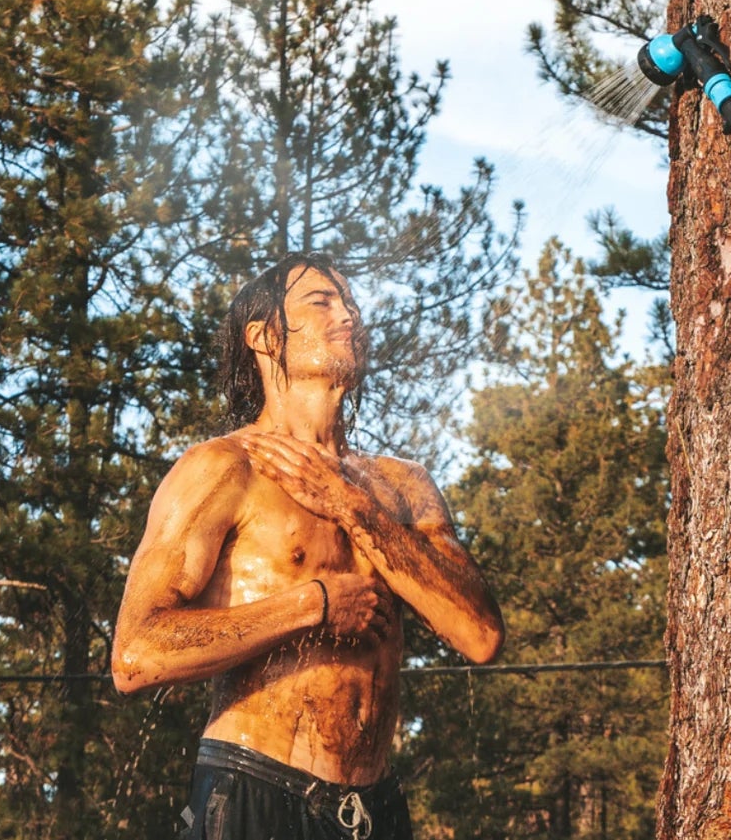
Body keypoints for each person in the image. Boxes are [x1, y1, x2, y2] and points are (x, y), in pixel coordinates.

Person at [112, 254, 503, 840]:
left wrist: (352, 505)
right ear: (264, 338)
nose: (347, 315)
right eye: (321, 302)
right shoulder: (225, 467)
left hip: (375, 807)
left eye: (349, 303)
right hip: (252, 787)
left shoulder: (401, 486)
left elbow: (481, 634)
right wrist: (311, 605)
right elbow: (136, 653)